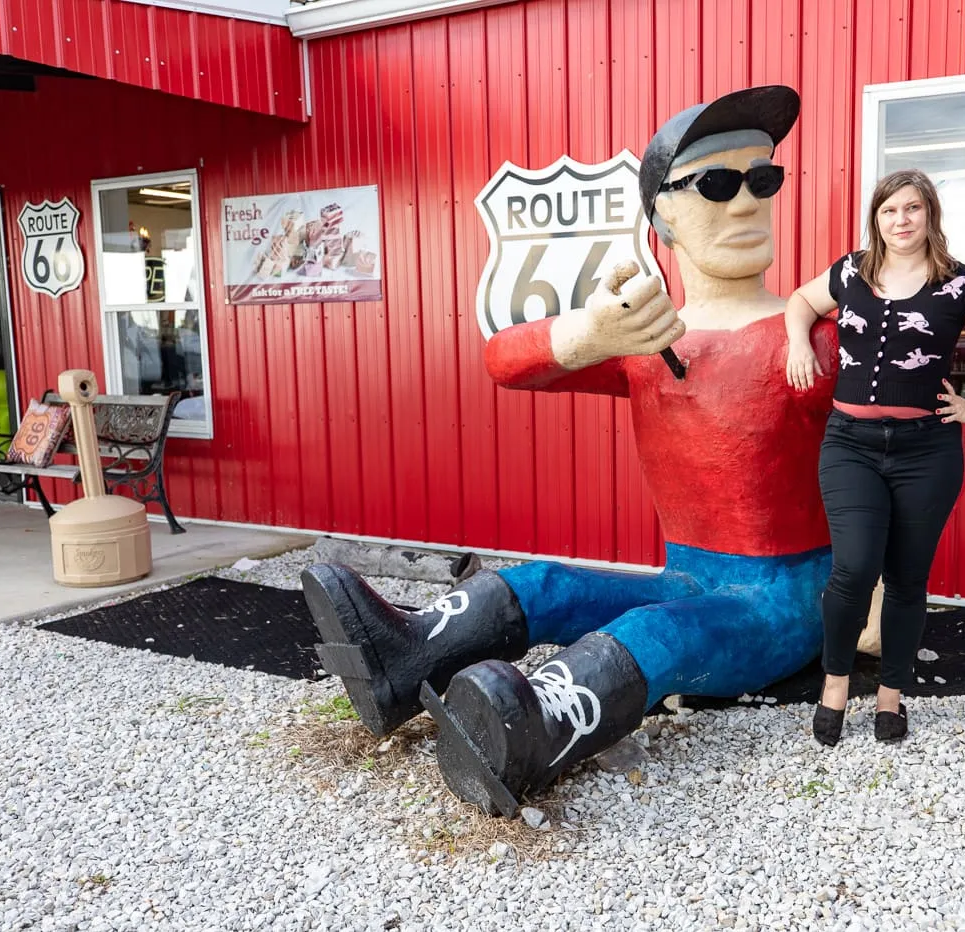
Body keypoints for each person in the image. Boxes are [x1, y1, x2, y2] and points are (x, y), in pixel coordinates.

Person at [301, 85, 853, 818]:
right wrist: (591, 334)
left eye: (764, 179)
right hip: (693, 576)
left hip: (791, 600)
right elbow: (504, 362)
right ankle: (402, 658)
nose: (747, 202)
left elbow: (951, 434)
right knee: (549, 584)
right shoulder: (645, 340)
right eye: (718, 184)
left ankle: (538, 728)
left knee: (657, 631)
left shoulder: (809, 338)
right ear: (665, 216)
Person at [784, 168, 965, 746]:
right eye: (888, 211)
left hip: (927, 451)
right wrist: (797, 339)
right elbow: (800, 301)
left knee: (906, 579)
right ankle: (835, 686)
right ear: (876, 218)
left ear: (929, 216)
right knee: (852, 570)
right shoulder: (852, 271)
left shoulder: (957, 285)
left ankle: (892, 696)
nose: (900, 221)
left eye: (912, 210)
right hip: (850, 443)